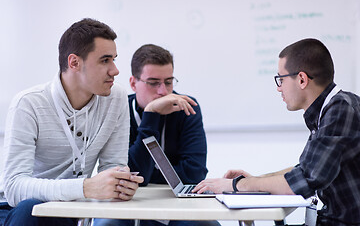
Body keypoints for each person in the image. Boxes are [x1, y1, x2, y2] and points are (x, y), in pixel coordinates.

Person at [193, 38, 360, 226]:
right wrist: (256, 180)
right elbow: (306, 169)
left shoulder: (340, 110)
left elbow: (305, 180)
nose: (279, 88)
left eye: (281, 79)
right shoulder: (330, 109)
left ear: (302, 79)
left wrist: (236, 186)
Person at [0, 18, 144, 226]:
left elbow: (113, 165)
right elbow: (14, 188)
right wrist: (85, 187)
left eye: (114, 59)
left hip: (76, 210)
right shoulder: (28, 104)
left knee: (120, 219)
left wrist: (120, 183)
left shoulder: (116, 97)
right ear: (74, 63)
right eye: (105, 60)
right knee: (30, 209)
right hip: (26, 213)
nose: (115, 70)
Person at [94, 44, 219, 226]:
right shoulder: (118, 110)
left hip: (175, 204)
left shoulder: (187, 107)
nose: (163, 91)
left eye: (168, 82)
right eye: (153, 83)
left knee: (205, 225)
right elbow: (125, 175)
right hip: (130, 202)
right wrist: (151, 114)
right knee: (108, 224)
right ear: (133, 83)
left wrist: (144, 175)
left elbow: (194, 173)